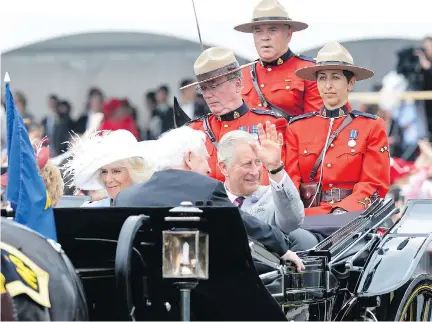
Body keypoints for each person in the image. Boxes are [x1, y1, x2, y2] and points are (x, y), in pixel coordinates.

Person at [114, 126, 304, 268]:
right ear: (189, 158)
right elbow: (240, 221)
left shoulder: (125, 198)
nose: (208, 168)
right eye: (204, 158)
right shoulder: (204, 189)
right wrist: (282, 247)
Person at [285, 41, 391, 216]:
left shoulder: (371, 126)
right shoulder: (297, 127)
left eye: (335, 77)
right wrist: (295, 215)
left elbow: (374, 183)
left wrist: (344, 210)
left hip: (352, 216)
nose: (328, 85)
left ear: (350, 83)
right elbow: (291, 180)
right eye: (322, 78)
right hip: (308, 217)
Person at [182, 46, 290, 184]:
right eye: (203, 88)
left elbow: (284, 178)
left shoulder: (269, 124)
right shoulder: (194, 130)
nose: (207, 95)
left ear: (237, 84)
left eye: (214, 86)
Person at [218, 126, 318, 250]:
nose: (255, 172)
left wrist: (275, 167)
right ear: (224, 168)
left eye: (258, 162)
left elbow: (293, 221)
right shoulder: (212, 201)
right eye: (247, 164)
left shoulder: (272, 197)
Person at [234, 0, 322, 118]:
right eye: (258, 31)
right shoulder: (242, 74)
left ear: (288, 34)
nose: (265, 37)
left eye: (272, 30)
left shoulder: (309, 71)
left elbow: (317, 124)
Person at [62, 129, 156, 207]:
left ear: (135, 171)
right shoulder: (90, 210)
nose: (108, 179)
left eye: (116, 171)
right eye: (104, 172)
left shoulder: (151, 208)